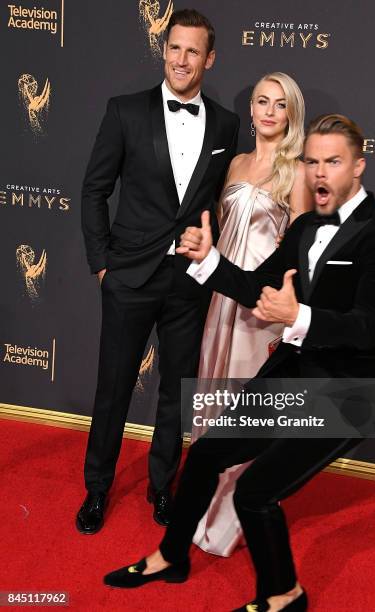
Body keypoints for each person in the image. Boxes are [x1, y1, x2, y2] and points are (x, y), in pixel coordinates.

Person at [103, 114, 375, 612]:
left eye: (332, 161)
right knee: (204, 455)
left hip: (346, 394)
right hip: (294, 374)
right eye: (311, 161)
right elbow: (258, 287)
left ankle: (284, 593)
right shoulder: (306, 225)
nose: (318, 173)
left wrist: (300, 315)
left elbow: (368, 327)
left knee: (253, 492)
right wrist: (208, 261)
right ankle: (171, 555)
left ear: (358, 166)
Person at [77, 8, 239, 534]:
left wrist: (205, 238)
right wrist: (102, 264)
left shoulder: (226, 124)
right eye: (175, 48)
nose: (182, 59)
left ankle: (160, 489)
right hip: (128, 275)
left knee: (176, 392)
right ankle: (97, 490)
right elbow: (94, 190)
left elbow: (212, 202)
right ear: (163, 50)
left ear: (209, 59)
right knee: (114, 388)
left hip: (187, 282)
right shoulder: (124, 111)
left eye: (194, 51)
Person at [193, 72, 313, 557]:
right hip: (222, 297)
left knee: (244, 404)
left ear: (291, 115)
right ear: (251, 110)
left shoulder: (298, 171)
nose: (267, 111)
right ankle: (200, 502)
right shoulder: (237, 163)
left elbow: (300, 250)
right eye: (261, 101)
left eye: (279, 104)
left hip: (260, 306)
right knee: (211, 391)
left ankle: (228, 517)